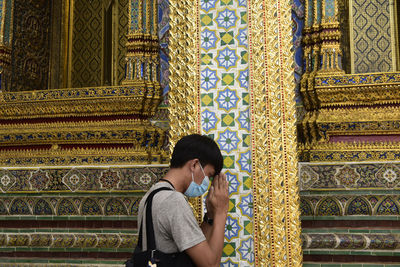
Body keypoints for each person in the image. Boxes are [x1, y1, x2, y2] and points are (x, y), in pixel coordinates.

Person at [137, 134, 229, 267]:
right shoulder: (174, 201)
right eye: (208, 175)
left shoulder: (152, 195)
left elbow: (194, 249)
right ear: (195, 164)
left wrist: (210, 216)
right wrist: (221, 212)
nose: (206, 183)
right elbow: (211, 264)